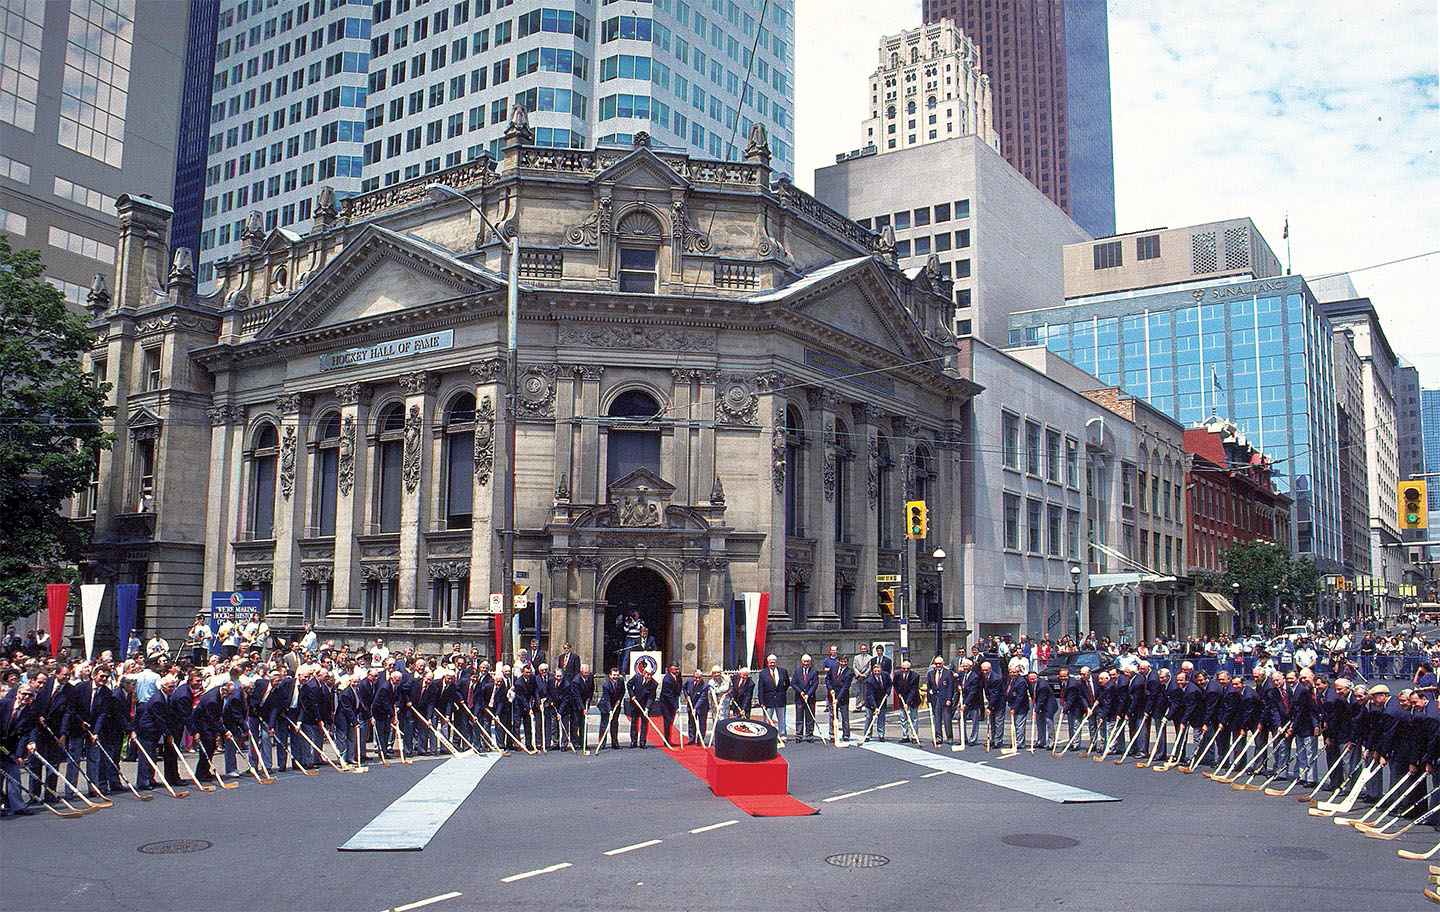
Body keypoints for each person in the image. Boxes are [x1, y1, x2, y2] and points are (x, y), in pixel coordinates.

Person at [757, 655, 790, 736]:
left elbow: (787, 683)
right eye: (770, 662)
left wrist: (782, 691)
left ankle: (782, 735)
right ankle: (766, 735)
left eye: (773, 662)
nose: (772, 664)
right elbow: (760, 688)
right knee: (767, 720)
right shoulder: (763, 673)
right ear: (767, 663)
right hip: (768, 699)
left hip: (780, 699)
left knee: (781, 719)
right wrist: (761, 702)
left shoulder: (783, 671)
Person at [626, 665, 657, 748]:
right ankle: (633, 741)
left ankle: (642, 742)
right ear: (643, 673)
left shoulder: (653, 684)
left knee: (644, 724)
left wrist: (647, 709)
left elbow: (651, 697)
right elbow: (629, 685)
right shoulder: (637, 677)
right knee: (634, 723)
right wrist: (632, 695)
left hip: (644, 706)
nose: (648, 677)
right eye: (647, 674)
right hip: (635, 703)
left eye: (650, 675)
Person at [926, 656, 955, 745]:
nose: (938, 665)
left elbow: (950, 687)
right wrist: (928, 699)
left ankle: (949, 737)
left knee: (947, 719)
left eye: (939, 663)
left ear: (943, 663)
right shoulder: (930, 673)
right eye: (936, 664)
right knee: (937, 719)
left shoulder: (948, 673)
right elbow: (929, 687)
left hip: (945, 699)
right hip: (935, 698)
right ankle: (938, 737)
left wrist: (949, 699)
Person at [892, 660, 921, 743]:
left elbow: (913, 690)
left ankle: (914, 736)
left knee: (913, 718)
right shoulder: (897, 675)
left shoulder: (915, 676)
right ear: (901, 668)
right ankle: (905, 736)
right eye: (904, 668)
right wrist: (898, 693)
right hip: (902, 698)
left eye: (907, 669)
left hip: (913, 699)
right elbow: (894, 684)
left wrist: (907, 703)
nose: (905, 670)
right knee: (903, 718)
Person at [792, 654, 819, 742]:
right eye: (804, 661)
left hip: (810, 698)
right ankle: (799, 735)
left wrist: (808, 694)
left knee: (809, 718)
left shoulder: (813, 672)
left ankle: (809, 735)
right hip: (799, 698)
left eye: (807, 661)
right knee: (799, 718)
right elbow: (793, 683)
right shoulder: (797, 671)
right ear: (801, 661)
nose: (806, 663)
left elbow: (815, 684)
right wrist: (800, 692)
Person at [597, 668, 625, 750]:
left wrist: (619, 699)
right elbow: (607, 699)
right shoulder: (606, 685)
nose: (615, 677)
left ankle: (615, 743)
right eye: (614, 675)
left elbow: (623, 691)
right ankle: (602, 743)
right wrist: (610, 711)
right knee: (604, 724)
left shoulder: (620, 681)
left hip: (616, 704)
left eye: (617, 675)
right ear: (610, 675)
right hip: (605, 705)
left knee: (614, 723)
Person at [862, 662, 890, 741]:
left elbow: (889, 684)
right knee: (869, 717)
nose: (877, 673)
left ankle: (881, 735)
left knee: (881, 718)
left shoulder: (885, 675)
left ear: (881, 670)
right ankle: (867, 735)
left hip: (882, 700)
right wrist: (875, 707)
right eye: (875, 671)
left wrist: (887, 693)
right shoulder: (869, 680)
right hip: (870, 702)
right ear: (872, 671)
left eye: (878, 671)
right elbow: (869, 695)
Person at [831, 655, 854, 741]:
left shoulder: (849, 673)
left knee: (844, 717)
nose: (843, 663)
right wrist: (831, 689)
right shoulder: (833, 668)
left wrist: (838, 698)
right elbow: (828, 679)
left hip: (843, 697)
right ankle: (833, 734)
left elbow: (845, 687)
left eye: (845, 662)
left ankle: (846, 735)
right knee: (833, 716)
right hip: (832, 695)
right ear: (838, 661)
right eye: (842, 661)